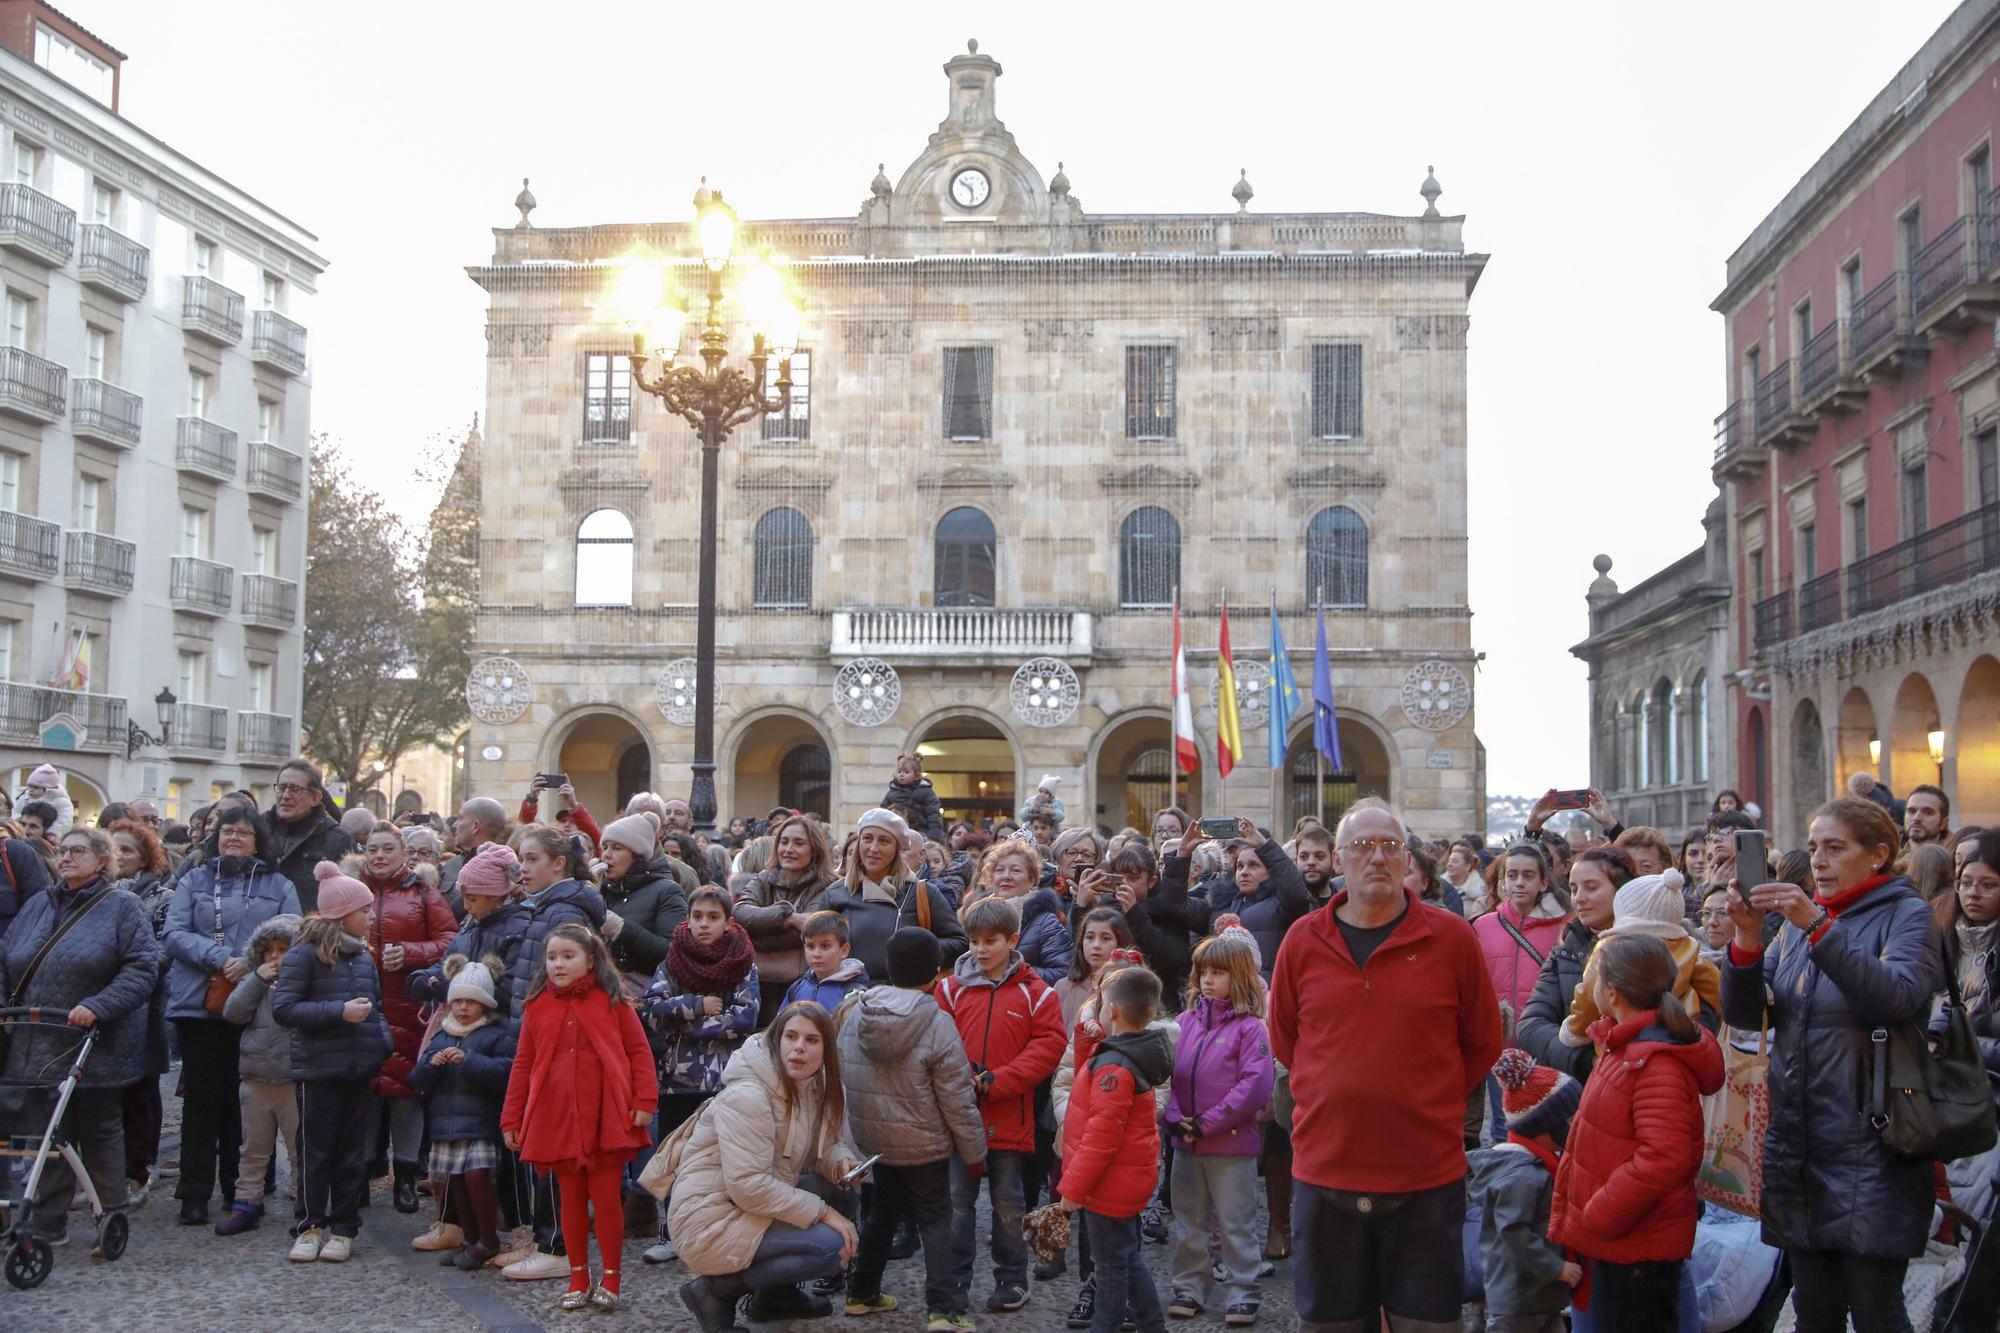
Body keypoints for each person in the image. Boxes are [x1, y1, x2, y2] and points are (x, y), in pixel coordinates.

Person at [1269, 797, 1502, 1332]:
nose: (1377, 857)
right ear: (1338, 859)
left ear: (1406, 858)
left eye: (1390, 846)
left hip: (1425, 1174)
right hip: (1326, 1170)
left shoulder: (1451, 939)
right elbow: (1285, 1038)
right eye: (1362, 846)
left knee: (1425, 1323)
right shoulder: (1303, 940)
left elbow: (1482, 1042)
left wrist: (1421, 1096)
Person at [1721, 795, 1940, 1331]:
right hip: (1801, 1144)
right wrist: (1748, 939)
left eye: (1835, 848)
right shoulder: (1800, 923)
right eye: (1814, 846)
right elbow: (1751, 1013)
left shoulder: (1906, 913)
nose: (1818, 860)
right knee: (1813, 1311)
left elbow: (1896, 997)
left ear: (1878, 855)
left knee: (1875, 1311)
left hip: (1874, 1143)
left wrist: (1816, 925)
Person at [1549, 935, 1722, 1333]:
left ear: (1611, 991)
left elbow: (1666, 1155)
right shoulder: (1624, 1046)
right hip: (1620, 1243)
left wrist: (1601, 1211)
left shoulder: (1653, 1061)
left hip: (1635, 1245)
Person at [0, 825, 156, 1248]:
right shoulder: (38, 903)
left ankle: (110, 1214)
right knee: (46, 1134)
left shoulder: (123, 906)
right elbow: (5, 957)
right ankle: (47, 1222)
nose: (65, 858)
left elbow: (142, 968)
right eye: (62, 851)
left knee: (99, 1130)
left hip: (93, 1041)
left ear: (102, 860)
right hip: (35, 1038)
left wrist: (99, 1005)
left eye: (77, 851)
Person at [670, 1003, 865, 1333]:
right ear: (776, 1040)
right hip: (708, 1216)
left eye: (811, 1040)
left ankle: (775, 1298)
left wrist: (840, 1161)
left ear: (826, 1049)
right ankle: (715, 1291)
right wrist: (823, 1213)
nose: (799, 1047)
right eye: (791, 1036)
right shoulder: (749, 1095)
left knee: (837, 1191)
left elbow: (823, 1146)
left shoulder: (810, 1083)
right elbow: (748, 1186)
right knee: (830, 1247)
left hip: (748, 1204)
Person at [500, 924, 656, 1311]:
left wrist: (644, 1100)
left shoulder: (612, 1002)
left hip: (605, 1114)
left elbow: (639, 1053)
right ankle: (578, 1275)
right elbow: (523, 1064)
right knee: (568, 1200)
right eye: (552, 958)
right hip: (558, 1116)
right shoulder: (538, 1006)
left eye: (568, 956)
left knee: (605, 1199)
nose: (558, 964)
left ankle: (613, 1277)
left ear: (590, 960)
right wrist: (512, 1117)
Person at [838, 928, 988, 1323]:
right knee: (936, 1220)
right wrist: (974, 1151)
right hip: (925, 1144)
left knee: (882, 1215)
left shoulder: (858, 1014)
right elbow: (957, 1098)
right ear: (935, 972)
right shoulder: (937, 1022)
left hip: (876, 1142)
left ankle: (861, 1291)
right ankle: (942, 1310)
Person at [161, 802, 300, 1225]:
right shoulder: (195, 879)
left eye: (243, 832)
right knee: (202, 1098)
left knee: (244, 1103)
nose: (234, 838)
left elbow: (292, 932)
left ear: (258, 840)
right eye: (227, 831)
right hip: (200, 1000)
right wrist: (221, 957)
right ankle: (194, 1193)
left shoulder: (278, 883)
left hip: (258, 1005)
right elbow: (175, 932)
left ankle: (240, 1192)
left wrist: (250, 963)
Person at [936, 895, 1068, 1315]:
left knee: (1008, 1204)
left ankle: (1012, 1278)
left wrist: (999, 1081)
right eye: (974, 941)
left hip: (1010, 1116)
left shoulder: (1037, 994)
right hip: (960, 1118)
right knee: (957, 1203)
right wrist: (959, 1077)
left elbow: (1049, 1046)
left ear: (1012, 940)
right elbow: (937, 1042)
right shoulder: (950, 990)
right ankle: (954, 1280)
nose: (979, 949)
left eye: (990, 940)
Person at [272, 863, 392, 1263]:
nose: (372, 918)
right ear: (343, 914)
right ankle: (309, 1224)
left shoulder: (361, 956)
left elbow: (376, 1009)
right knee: (315, 1150)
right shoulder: (304, 955)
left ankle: (344, 1226)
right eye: (366, 911)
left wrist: (382, 1043)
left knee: (350, 1151)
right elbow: (285, 1009)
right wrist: (339, 1011)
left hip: (357, 1068)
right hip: (318, 1069)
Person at [640, 885, 760, 1265]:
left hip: (726, 1078)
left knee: (724, 1157)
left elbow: (744, 1017)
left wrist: (688, 1026)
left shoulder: (742, 961)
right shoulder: (672, 961)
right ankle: (671, 1232)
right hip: (679, 1079)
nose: (703, 924)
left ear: (727, 921)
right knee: (676, 1157)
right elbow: (654, 1011)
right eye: (697, 917)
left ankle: (718, 1229)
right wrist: (697, 1006)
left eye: (712, 917)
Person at [1164, 933, 1275, 1327]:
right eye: (1204, 972)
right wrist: (1177, 1118)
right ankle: (1190, 1286)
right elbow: (1170, 1074)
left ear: (1239, 977)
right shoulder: (1184, 1023)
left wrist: (1208, 1122)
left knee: (1234, 1221)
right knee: (1189, 1220)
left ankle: (1243, 1289)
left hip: (1230, 1144)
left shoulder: (1250, 1029)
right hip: (1187, 1143)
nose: (1208, 980)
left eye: (1218, 973)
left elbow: (1254, 1085)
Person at [1057, 964, 1173, 1333]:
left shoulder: (1115, 1070)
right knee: (1126, 1257)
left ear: (1114, 1011)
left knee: (1108, 1269)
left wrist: (1072, 1192)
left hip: (1107, 1186)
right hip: (1120, 1182)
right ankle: (1153, 1325)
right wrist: (1089, 1042)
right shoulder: (1121, 1056)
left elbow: (1101, 1138)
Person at [358, 821, 458, 1212]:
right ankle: (362, 1172)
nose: (379, 856)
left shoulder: (423, 891)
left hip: (408, 1004)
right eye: (372, 849)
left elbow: (451, 939)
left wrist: (413, 953)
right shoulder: (354, 890)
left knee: (406, 1095)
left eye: (387, 849)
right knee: (363, 1093)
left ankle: (405, 1174)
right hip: (362, 1005)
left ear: (403, 854)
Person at [413, 956, 519, 1272]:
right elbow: (417, 1079)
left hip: (481, 1121)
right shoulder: (443, 1033)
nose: (462, 1008)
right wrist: (432, 1065)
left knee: (476, 1176)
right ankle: (471, 1239)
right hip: (446, 1122)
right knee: (455, 1181)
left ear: (485, 1003)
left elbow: (505, 1074)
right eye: (457, 1001)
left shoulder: (498, 1033)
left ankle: (488, 1238)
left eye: (470, 1002)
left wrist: (468, 1060)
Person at [1469, 1049, 1583, 1333]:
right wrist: (1555, 1268)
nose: (1576, 1126)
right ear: (1544, 1126)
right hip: (1518, 1300)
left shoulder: (1540, 1165)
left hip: (1539, 1296)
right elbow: (1513, 1232)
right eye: (1570, 1120)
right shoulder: (1523, 1176)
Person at [1938, 829, 2000, 1329]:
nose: (1973, 894)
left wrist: (1959, 1045)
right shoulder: (1935, 938)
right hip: (1932, 1097)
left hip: (1987, 1104)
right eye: (1966, 883)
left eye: (1987, 885)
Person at [214, 912, 303, 1237]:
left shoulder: (304, 984)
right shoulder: (254, 983)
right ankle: (247, 1201)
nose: (275, 958)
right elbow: (233, 1012)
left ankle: (305, 1203)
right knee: (253, 1148)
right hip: (255, 1078)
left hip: (293, 1079)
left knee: (299, 1148)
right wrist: (256, 980)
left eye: (283, 950)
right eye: (270, 951)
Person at [1559, 870, 1721, 1046]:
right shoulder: (1689, 947)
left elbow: (1589, 995)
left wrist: (1574, 1030)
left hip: (1623, 1040)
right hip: (1683, 1031)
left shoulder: (1612, 948)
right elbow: (1714, 987)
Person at [1517, 846, 1632, 1079]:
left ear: (1622, 890)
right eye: (1573, 888)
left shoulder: (1655, 946)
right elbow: (1530, 1025)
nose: (1579, 897)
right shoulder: (1565, 953)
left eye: (1592, 887)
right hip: (1579, 1090)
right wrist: (1583, 1059)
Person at [822, 808, 965, 978]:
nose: (873, 848)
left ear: (898, 849)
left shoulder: (922, 892)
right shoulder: (835, 894)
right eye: (867, 838)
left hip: (905, 999)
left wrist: (920, 951)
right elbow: (816, 943)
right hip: (846, 998)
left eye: (884, 841)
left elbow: (959, 943)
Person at [732, 813, 840, 1024]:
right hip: (755, 985)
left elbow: (816, 926)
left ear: (814, 850)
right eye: (784, 842)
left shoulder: (829, 885)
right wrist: (787, 915)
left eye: (798, 843)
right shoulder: (763, 879)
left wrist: (760, 931)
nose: (788, 849)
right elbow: (740, 914)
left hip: (803, 985)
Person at [594, 811, 688, 987]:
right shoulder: (604, 888)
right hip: (604, 991)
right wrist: (588, 892)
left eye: (616, 848)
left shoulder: (667, 890)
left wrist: (621, 929)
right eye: (605, 847)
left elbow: (672, 952)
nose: (606, 855)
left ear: (637, 855)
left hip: (646, 996)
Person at [963, 839, 1071, 984]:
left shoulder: (1046, 922)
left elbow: (1062, 973)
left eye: (1015, 870)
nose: (1006, 876)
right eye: (999, 870)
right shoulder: (978, 913)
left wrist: (1012, 971)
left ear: (1032, 879)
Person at [264, 759, 354, 913]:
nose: (285, 795)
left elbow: (347, 901)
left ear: (315, 798)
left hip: (311, 932)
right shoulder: (258, 831)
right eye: (282, 787)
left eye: (295, 789)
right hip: (262, 932)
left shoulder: (338, 841)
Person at [781, 911, 870, 1010]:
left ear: (844, 950)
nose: (816, 954)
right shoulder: (796, 988)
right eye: (810, 946)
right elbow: (781, 1022)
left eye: (825, 946)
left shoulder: (854, 992)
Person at [443, 797, 511, 916]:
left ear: (475, 826)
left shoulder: (504, 869)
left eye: (460, 818)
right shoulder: (450, 865)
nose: (454, 825)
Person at [884, 754, 946, 841]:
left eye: (906, 772)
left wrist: (934, 836)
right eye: (899, 772)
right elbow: (883, 812)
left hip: (921, 832)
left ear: (916, 776)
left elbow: (933, 816)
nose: (901, 775)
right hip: (897, 831)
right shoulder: (892, 792)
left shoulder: (926, 792)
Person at [18, 762, 73, 834]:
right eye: (30, 786)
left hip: (48, 836)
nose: (31, 789)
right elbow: (16, 811)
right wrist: (17, 824)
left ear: (47, 789)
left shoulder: (61, 801)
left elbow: (64, 820)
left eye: (36, 787)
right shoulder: (25, 797)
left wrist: (53, 832)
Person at [1904, 783, 1950, 847]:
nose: (1916, 818)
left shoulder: (1958, 855)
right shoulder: (1890, 855)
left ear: (1943, 823)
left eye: (1928, 812)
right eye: (1912, 811)